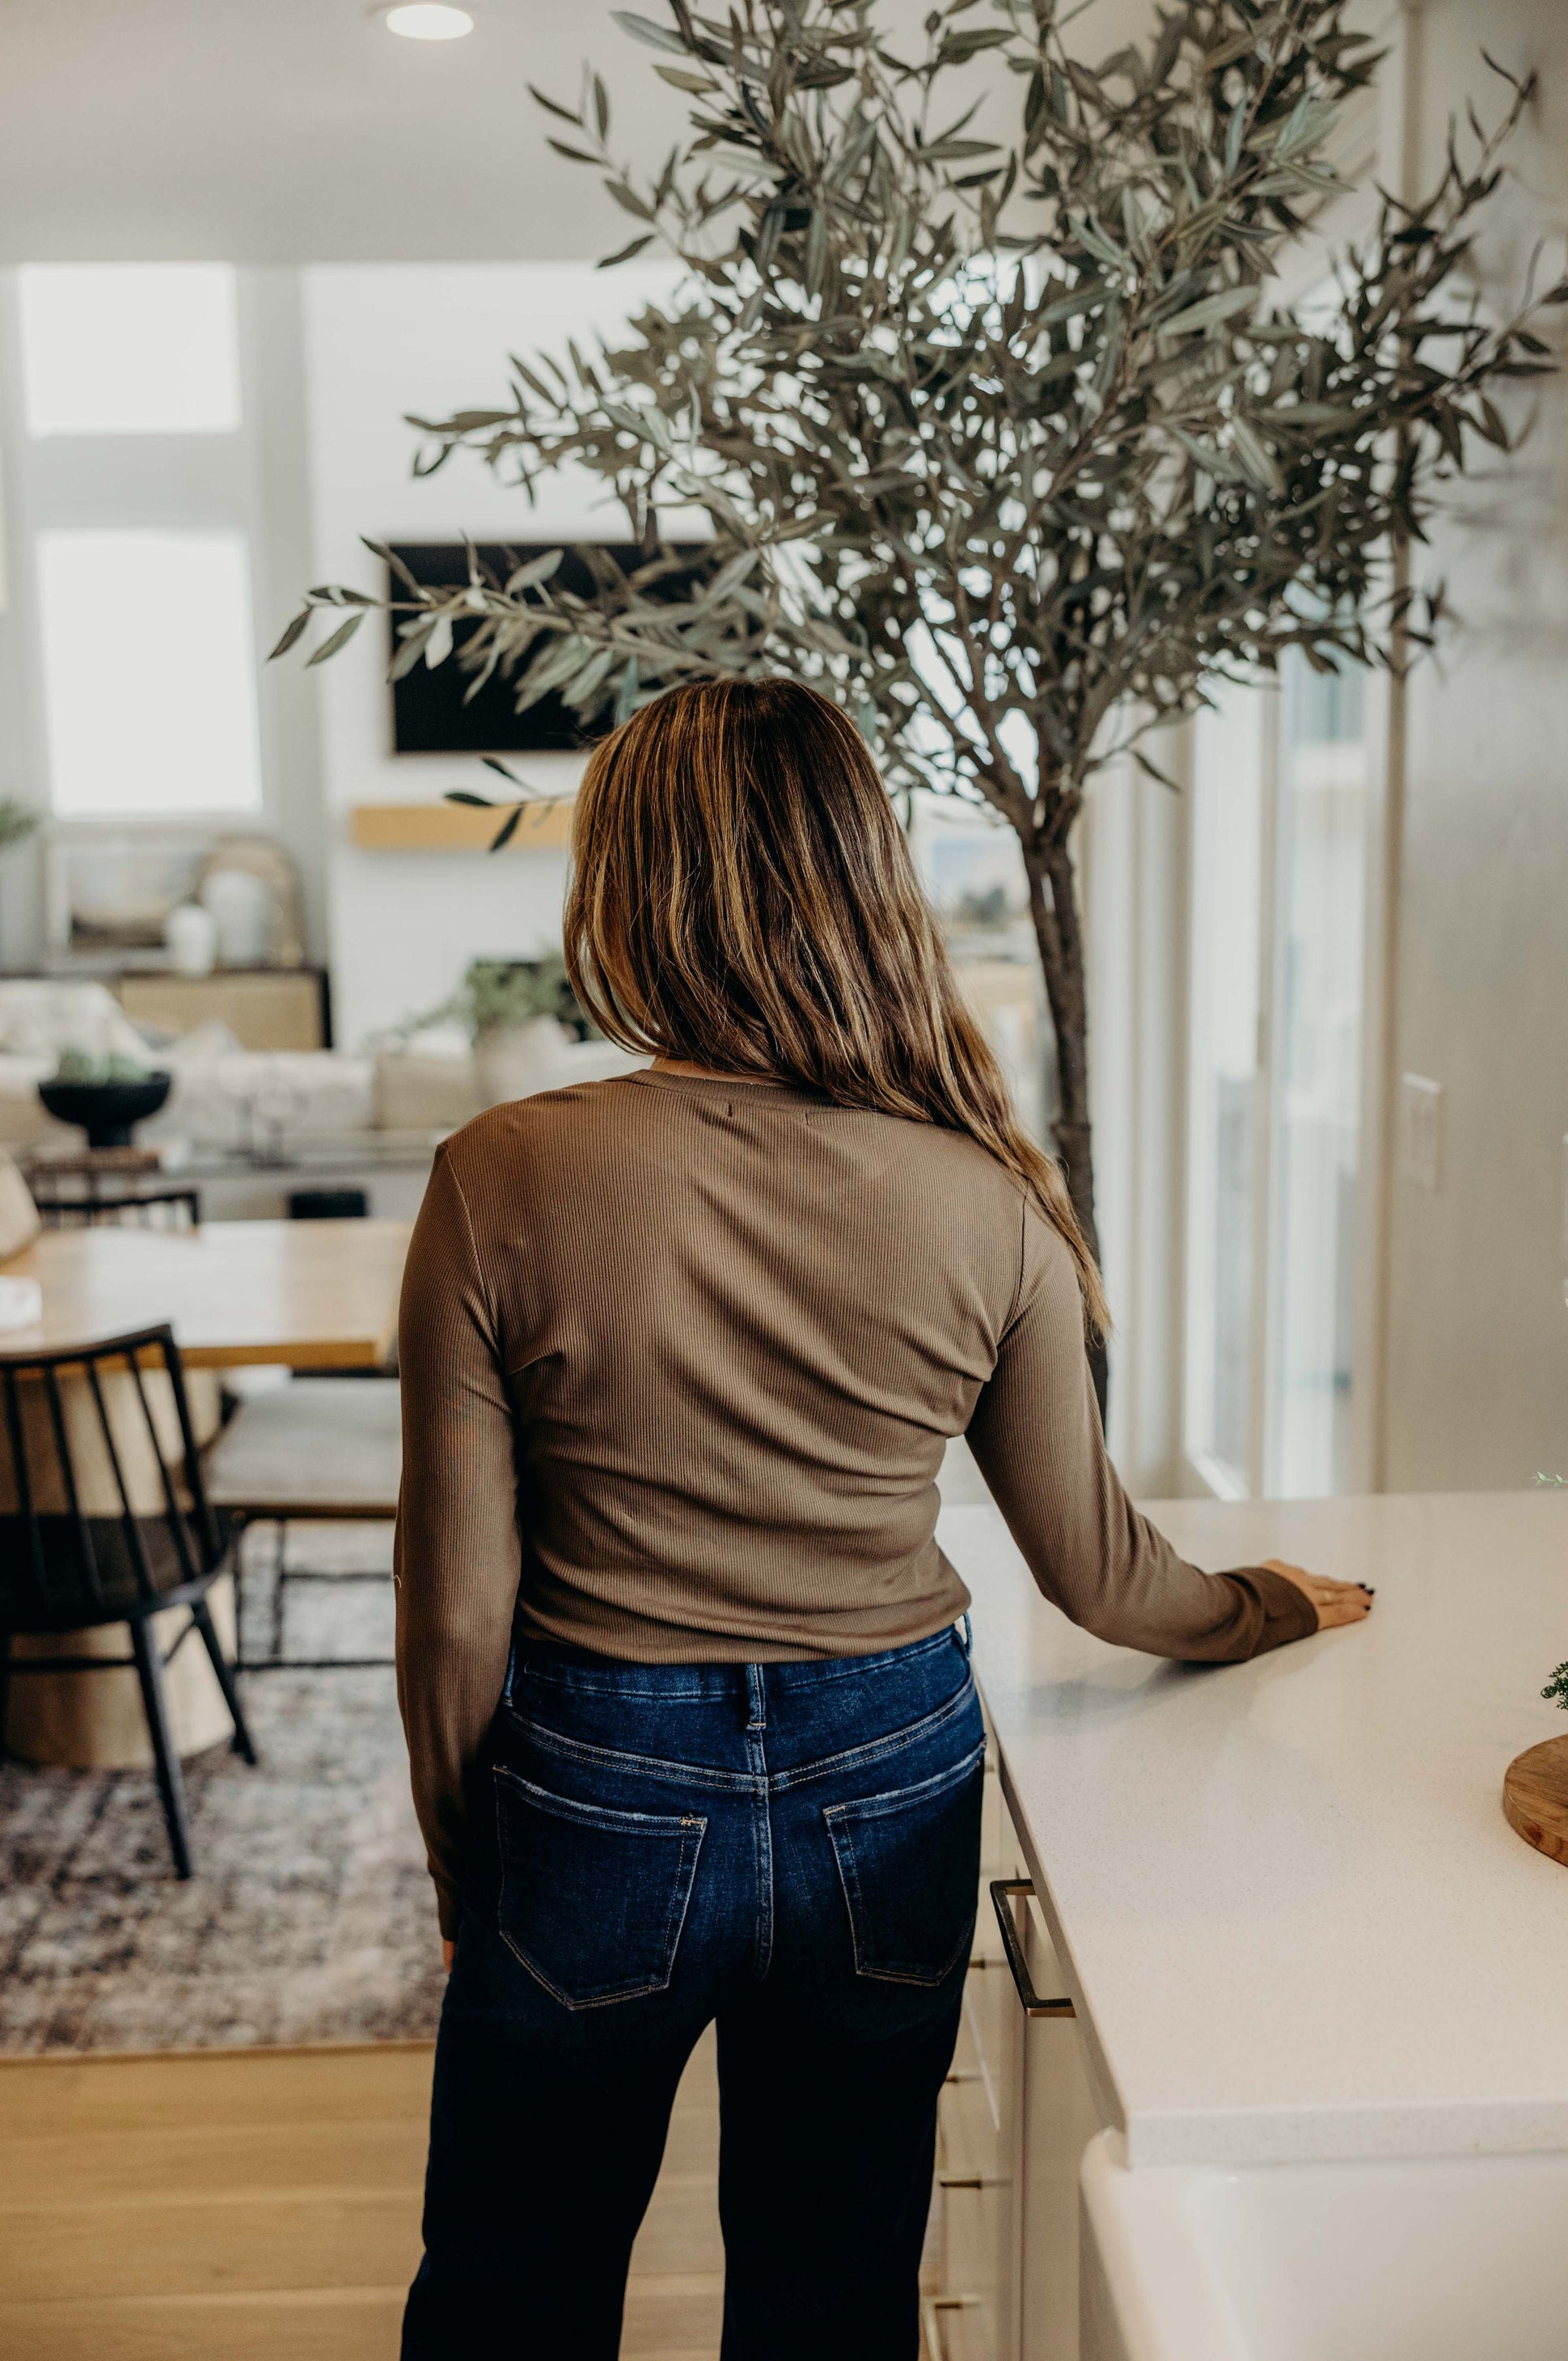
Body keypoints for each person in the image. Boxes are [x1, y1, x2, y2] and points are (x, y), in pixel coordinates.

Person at [394, 677, 1371, 2359]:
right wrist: (1267, 1601)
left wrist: (467, 1860)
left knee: (512, 2292)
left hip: (600, 1783)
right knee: (834, 2297)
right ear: (862, 881)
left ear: (629, 887)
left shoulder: (500, 1173)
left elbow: (457, 1609)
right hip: (890, 1780)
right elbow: (1101, 1574)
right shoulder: (988, 1194)